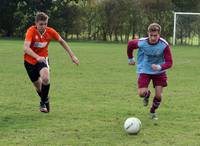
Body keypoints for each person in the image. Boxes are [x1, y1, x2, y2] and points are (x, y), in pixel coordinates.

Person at [24, 12, 79, 113]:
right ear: (36, 23)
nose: (43, 26)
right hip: (29, 62)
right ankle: (46, 99)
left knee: (45, 78)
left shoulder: (50, 31)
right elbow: (26, 48)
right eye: (41, 24)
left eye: (45, 24)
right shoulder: (31, 31)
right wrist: (36, 57)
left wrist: (72, 56)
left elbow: (62, 41)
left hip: (43, 59)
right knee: (39, 87)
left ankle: (42, 103)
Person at [127, 23, 173, 120]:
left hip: (159, 72)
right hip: (145, 70)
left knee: (159, 96)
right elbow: (130, 44)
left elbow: (169, 62)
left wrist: (160, 67)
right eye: (151, 35)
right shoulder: (142, 42)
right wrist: (130, 58)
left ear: (159, 34)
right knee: (141, 94)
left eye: (155, 35)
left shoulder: (164, 45)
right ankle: (147, 94)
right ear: (148, 33)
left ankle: (152, 112)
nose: (152, 38)